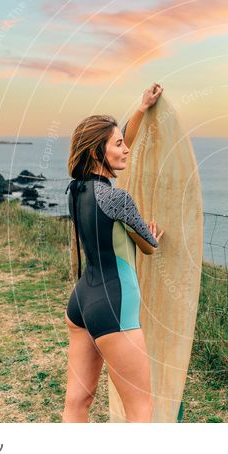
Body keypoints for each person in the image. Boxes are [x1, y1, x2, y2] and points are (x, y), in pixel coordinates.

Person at [62, 83, 165, 423]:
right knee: (140, 410)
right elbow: (150, 247)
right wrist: (149, 235)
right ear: (97, 152)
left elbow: (117, 150)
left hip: (82, 302)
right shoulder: (118, 200)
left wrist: (141, 107)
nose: (126, 149)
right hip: (114, 307)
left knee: (77, 403)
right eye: (118, 144)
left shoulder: (75, 191)